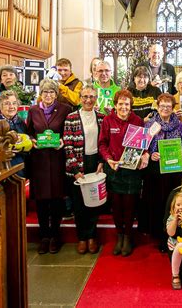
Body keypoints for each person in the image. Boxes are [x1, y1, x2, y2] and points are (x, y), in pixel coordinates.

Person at [98, 89, 150, 257]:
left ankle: (128, 237)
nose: (123, 107)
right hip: (113, 168)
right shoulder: (107, 120)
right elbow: (102, 144)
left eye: (127, 104)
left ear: (131, 105)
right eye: (120, 103)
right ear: (115, 105)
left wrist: (145, 155)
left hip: (132, 171)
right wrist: (107, 159)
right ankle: (119, 236)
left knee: (129, 206)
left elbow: (143, 144)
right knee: (116, 205)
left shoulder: (137, 121)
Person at [26, 79, 72, 254]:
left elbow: (70, 131)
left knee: (57, 200)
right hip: (39, 162)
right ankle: (44, 236)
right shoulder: (33, 110)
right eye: (45, 92)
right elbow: (28, 132)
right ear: (40, 94)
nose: (48, 95)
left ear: (56, 94)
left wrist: (63, 141)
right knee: (41, 201)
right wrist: (32, 141)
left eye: (52, 92)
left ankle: (55, 236)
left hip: (58, 159)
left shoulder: (65, 109)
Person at [140, 93, 182, 250]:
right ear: (157, 107)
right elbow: (143, 148)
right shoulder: (150, 125)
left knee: (174, 203)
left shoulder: (180, 125)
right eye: (162, 106)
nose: (165, 109)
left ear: (173, 108)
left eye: (168, 106)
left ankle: (174, 235)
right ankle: (161, 236)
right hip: (156, 170)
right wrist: (151, 153)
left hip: (174, 170)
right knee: (158, 202)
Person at [64, 85, 106, 254]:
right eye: (85, 97)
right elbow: (67, 145)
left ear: (96, 98)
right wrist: (75, 169)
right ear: (80, 98)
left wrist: (102, 161)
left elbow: (105, 142)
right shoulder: (71, 117)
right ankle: (82, 237)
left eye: (92, 96)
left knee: (94, 202)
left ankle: (92, 236)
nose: (88, 100)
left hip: (94, 163)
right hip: (77, 164)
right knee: (79, 203)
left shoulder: (102, 118)